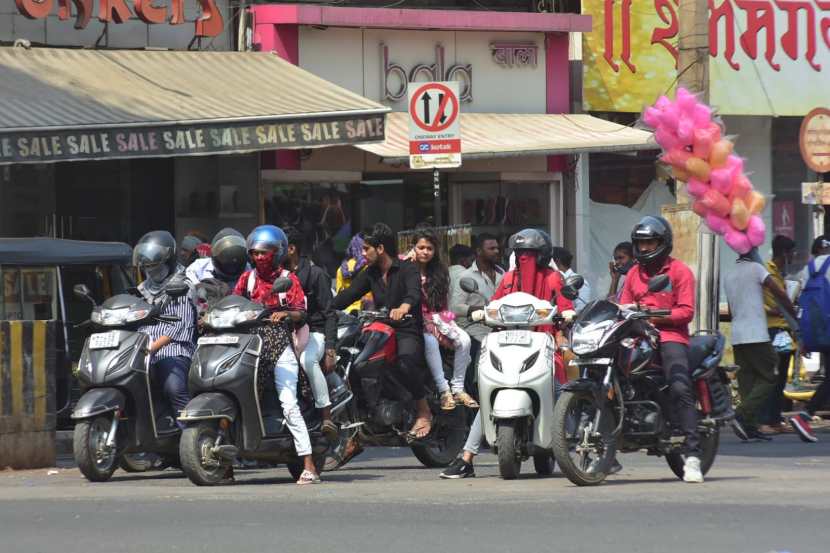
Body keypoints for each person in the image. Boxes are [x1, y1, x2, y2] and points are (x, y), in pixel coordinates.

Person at [440, 228, 573, 479]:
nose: (525, 258)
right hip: (509, 343)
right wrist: (483, 312)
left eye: (530, 253)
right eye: (521, 252)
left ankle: (577, 443)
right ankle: (467, 457)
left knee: (560, 391)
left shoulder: (554, 278)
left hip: (543, 343)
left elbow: (565, 305)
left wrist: (565, 316)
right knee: (489, 393)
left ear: (542, 255)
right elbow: (496, 305)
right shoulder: (509, 279)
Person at [233, 225, 320, 485]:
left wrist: (286, 314)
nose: (259, 257)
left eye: (265, 252)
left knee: (288, 402)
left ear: (277, 252)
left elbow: (301, 313)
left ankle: (309, 464)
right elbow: (233, 303)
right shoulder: (246, 279)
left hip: (280, 344)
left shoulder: (288, 279)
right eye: (255, 253)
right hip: (250, 345)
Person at [618, 216, 703, 483]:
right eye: (640, 243)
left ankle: (692, 455)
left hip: (669, 336)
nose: (644, 248)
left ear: (662, 243)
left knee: (679, 387)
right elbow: (624, 306)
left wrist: (653, 316)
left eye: (649, 242)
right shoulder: (633, 273)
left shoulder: (679, 271)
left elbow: (686, 311)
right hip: (637, 336)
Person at [331, 223, 433, 440]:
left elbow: (414, 293)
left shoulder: (407, 268)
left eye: (366, 248)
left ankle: (423, 410)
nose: (362, 253)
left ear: (380, 249)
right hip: (380, 329)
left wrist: (404, 307)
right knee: (355, 362)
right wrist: (323, 308)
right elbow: (348, 295)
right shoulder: (370, 273)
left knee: (405, 362)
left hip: (406, 329)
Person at [724, 247, 797, 442]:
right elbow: (778, 292)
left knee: (747, 383)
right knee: (770, 375)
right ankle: (741, 414)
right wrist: (792, 310)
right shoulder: (757, 269)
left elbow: (731, 311)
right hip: (756, 333)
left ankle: (750, 428)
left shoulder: (729, 274)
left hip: (738, 335)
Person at [133, 231, 197, 431]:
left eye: (155, 266)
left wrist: (152, 348)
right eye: (147, 267)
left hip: (174, 349)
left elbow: (179, 326)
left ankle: (189, 435)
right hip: (142, 349)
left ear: (168, 261)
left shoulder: (183, 285)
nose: (151, 271)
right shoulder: (142, 288)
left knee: (174, 388)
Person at [282, 226, 339, 441]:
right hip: (285, 332)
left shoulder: (316, 274)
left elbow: (329, 314)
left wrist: (331, 348)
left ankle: (326, 414)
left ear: (291, 249)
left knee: (307, 360)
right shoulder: (277, 275)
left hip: (315, 331)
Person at [412, 230, 476, 411]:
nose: (425, 252)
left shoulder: (440, 272)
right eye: (421, 248)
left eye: (429, 248)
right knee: (430, 342)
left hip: (438, 317)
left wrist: (445, 319)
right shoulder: (407, 269)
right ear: (413, 248)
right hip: (416, 321)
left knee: (465, 340)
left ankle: (458, 387)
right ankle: (444, 390)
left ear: (435, 251)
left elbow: (443, 305)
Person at [789, 235, 830, 443]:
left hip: (817, 332)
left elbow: (796, 302)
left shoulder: (808, 269)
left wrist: (802, 336)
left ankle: (805, 415)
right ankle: (805, 414)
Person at [760, 236, 797, 433]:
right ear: (784, 252)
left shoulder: (779, 274)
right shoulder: (767, 272)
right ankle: (766, 420)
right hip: (773, 329)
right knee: (773, 377)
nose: (793, 256)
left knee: (781, 377)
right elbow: (765, 302)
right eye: (791, 252)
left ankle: (774, 419)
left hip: (783, 329)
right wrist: (774, 309)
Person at [450, 233, 504, 362]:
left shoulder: (503, 274)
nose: (496, 251)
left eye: (497, 248)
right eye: (491, 249)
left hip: (502, 329)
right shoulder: (466, 276)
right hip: (475, 330)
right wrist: (484, 310)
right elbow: (455, 307)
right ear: (479, 251)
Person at [336, 233, 373, 314]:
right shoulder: (368, 268)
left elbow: (339, 294)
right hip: (364, 311)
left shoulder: (340, 269)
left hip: (345, 311)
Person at [551, 246, 592, 312]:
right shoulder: (551, 281)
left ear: (557, 262)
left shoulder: (579, 282)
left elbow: (582, 309)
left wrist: (565, 314)